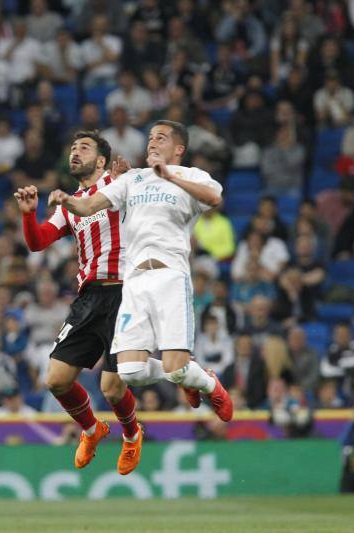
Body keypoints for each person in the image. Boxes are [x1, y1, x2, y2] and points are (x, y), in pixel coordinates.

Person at [48, 120, 233, 423]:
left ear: (178, 149)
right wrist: (67, 200)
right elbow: (91, 205)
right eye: (150, 137)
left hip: (169, 276)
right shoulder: (132, 179)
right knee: (129, 372)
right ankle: (189, 377)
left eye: (161, 138)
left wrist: (169, 175)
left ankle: (208, 383)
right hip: (133, 281)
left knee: (177, 368)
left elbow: (214, 199)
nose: (152, 142)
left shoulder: (191, 175)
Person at [14, 131, 144, 475]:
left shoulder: (119, 186)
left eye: (83, 148)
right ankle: (91, 429)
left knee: (112, 388)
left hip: (125, 293)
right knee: (56, 379)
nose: (75, 152)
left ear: (101, 160)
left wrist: (128, 179)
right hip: (89, 298)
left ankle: (132, 434)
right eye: (72, 147)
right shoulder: (73, 204)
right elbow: (39, 241)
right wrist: (29, 215)